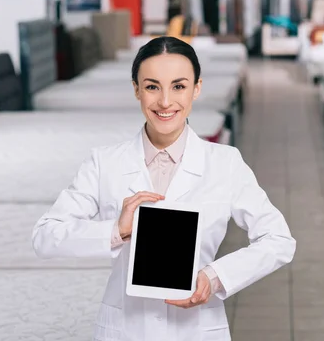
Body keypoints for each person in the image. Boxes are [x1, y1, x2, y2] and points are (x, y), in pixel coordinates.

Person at [32, 36, 296, 341]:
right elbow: (45, 237)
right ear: (136, 90)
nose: (166, 102)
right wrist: (116, 229)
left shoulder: (225, 163)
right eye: (152, 86)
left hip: (197, 329)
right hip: (124, 328)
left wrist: (214, 277)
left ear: (197, 88)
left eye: (179, 86)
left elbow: (279, 240)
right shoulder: (104, 163)